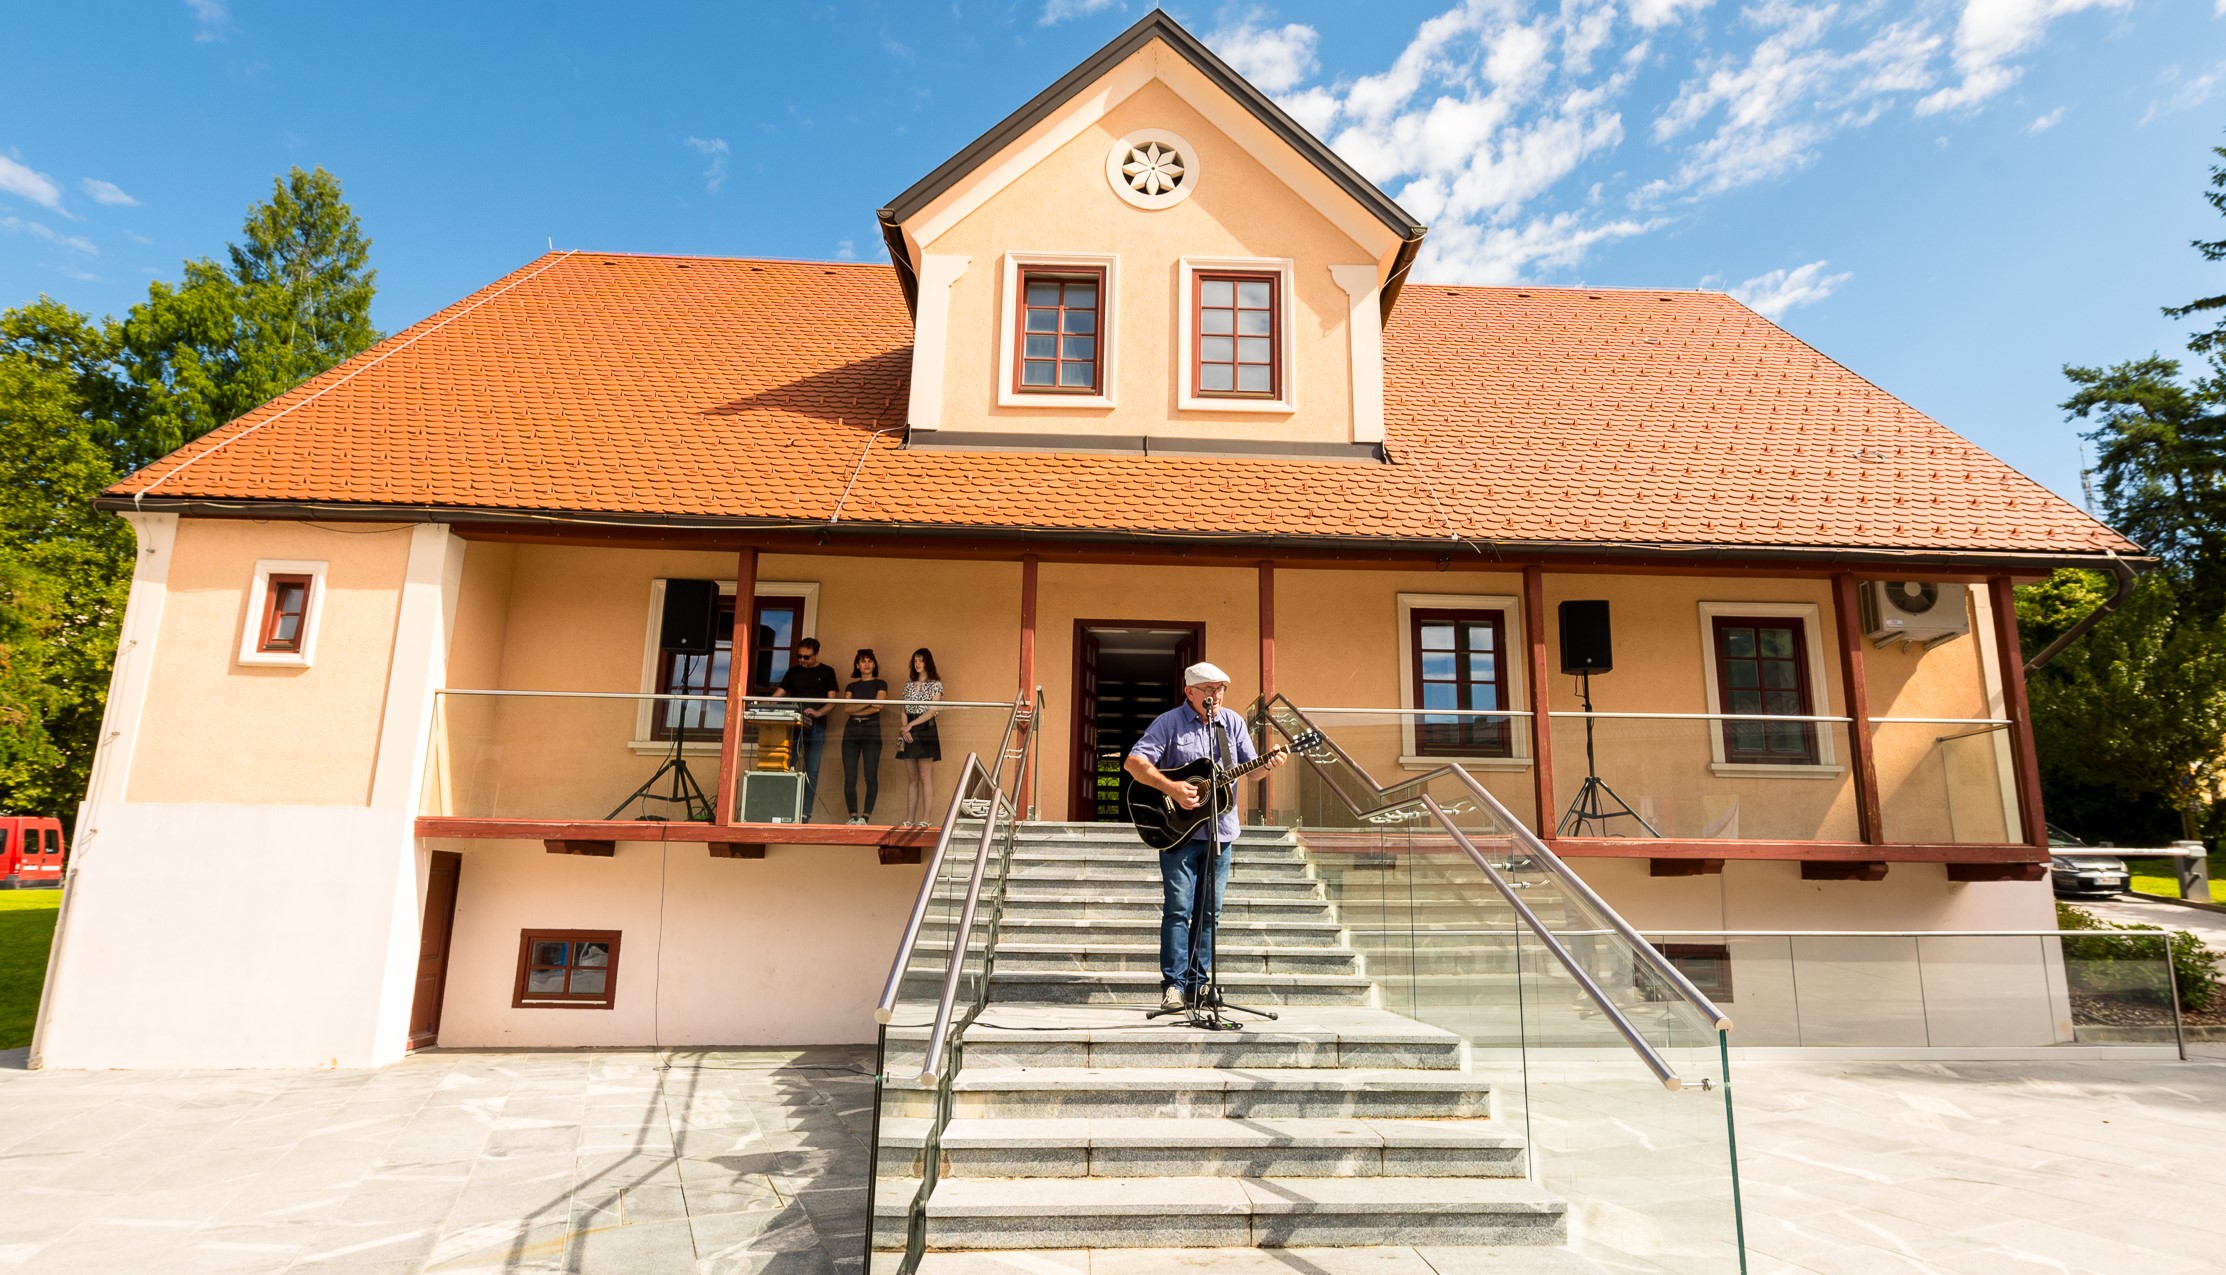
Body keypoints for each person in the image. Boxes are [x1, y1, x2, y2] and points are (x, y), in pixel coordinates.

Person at [1122, 661, 1285, 1012]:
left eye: (1221, 689)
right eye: (1209, 689)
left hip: (1220, 833)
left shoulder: (1233, 724)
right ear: (1190, 692)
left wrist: (1268, 765)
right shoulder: (1169, 723)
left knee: (1210, 913)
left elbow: (1252, 772)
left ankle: (1199, 985)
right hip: (1177, 834)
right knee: (1178, 910)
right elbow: (1134, 763)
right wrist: (1173, 789)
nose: (1217, 695)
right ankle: (1174, 986)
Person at [772, 637, 839, 820]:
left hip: (816, 726)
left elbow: (832, 702)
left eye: (806, 657)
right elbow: (778, 695)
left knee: (812, 770)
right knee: (787, 765)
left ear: (816, 654)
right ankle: (785, 808)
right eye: (799, 656)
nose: (802, 660)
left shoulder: (827, 672)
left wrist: (818, 713)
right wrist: (759, 706)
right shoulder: (793, 672)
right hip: (793, 725)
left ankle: (805, 812)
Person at [840, 649, 888, 825]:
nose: (866, 664)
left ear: (874, 664)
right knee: (850, 776)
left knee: (870, 775)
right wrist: (869, 701)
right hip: (851, 729)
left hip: (871, 729)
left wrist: (859, 706)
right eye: (863, 661)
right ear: (857, 665)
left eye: (869, 661)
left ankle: (865, 817)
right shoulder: (851, 686)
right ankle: (852, 816)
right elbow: (846, 708)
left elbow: (878, 706)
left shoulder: (881, 683)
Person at [897, 648, 944, 825]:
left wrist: (911, 725)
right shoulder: (908, 685)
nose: (917, 664)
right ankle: (909, 819)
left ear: (927, 662)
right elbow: (903, 709)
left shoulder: (936, 684)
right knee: (912, 778)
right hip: (908, 728)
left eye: (921, 660)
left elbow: (932, 711)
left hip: (925, 728)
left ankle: (926, 819)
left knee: (925, 776)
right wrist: (905, 728)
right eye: (915, 660)